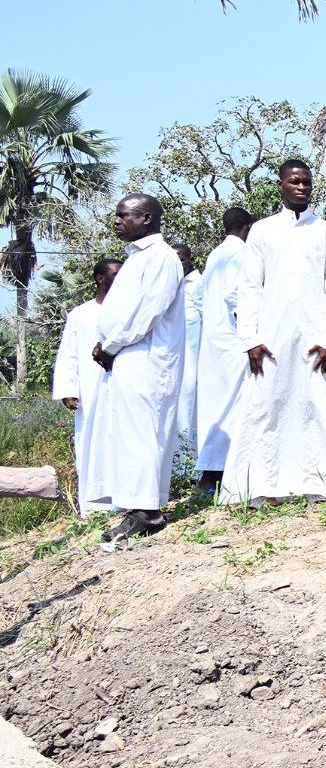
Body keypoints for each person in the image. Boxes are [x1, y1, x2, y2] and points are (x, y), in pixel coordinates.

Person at [220, 160, 326, 506]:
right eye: (295, 181)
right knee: (265, 407)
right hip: (269, 338)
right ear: (280, 185)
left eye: (306, 182)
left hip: (313, 338)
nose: (302, 187)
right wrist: (250, 339)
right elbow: (249, 287)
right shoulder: (262, 230)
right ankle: (260, 487)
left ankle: (317, 484)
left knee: (313, 407)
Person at [81, 194, 186, 542]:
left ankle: (148, 512)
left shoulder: (162, 258)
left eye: (124, 215)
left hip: (147, 358)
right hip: (129, 356)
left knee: (144, 433)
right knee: (129, 434)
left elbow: (147, 313)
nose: (117, 220)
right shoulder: (138, 258)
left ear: (148, 219)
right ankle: (138, 506)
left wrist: (110, 345)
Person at [51, 258, 121, 516]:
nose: (120, 279)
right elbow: (68, 354)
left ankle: (125, 500)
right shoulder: (80, 314)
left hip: (123, 388)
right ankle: (93, 507)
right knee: (92, 441)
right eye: (114, 274)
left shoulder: (127, 311)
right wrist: (68, 389)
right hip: (90, 392)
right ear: (100, 279)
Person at [195, 208, 253, 492]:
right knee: (234, 406)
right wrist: (252, 335)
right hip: (234, 343)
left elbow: (201, 297)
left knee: (217, 406)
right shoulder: (240, 253)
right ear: (247, 227)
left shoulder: (215, 254)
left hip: (214, 342)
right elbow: (236, 297)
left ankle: (215, 475)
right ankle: (218, 475)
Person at [173, 243, 202, 449]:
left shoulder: (198, 284)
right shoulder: (170, 285)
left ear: (190, 260)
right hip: (172, 360)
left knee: (190, 410)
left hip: (195, 361)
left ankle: (191, 469)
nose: (178, 264)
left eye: (181, 259)